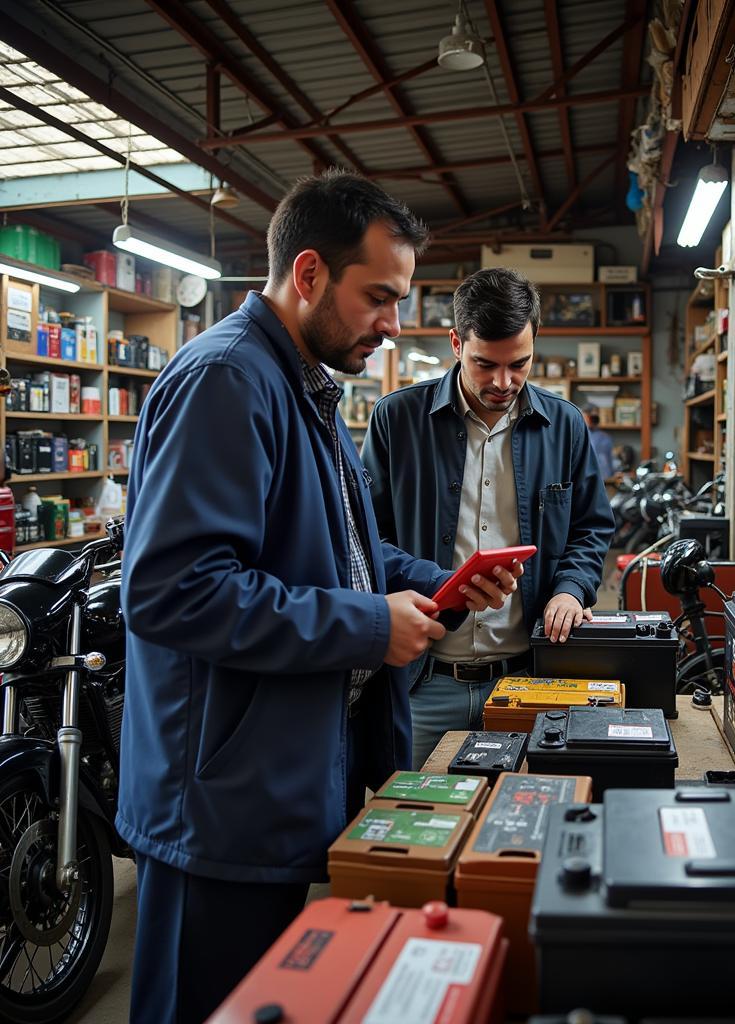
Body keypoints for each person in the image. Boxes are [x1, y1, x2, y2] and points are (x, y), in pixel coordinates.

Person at [118, 170, 521, 1024]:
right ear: (308, 275)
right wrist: (369, 626)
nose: (394, 324)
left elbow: (343, 550)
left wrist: (439, 585)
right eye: (378, 296)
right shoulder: (228, 380)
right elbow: (174, 592)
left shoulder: (305, 385)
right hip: (216, 806)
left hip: (275, 782)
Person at [362, 267, 615, 768]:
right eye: (485, 364)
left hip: (527, 679)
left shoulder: (563, 425)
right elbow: (365, 538)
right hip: (424, 682)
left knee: (523, 820)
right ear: (456, 343)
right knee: (417, 823)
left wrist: (571, 588)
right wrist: (440, 583)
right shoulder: (396, 420)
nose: (503, 382)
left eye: (519, 363)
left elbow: (591, 528)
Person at [584, 403, 616, 479]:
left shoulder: (605, 437)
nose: (592, 420)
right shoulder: (578, 436)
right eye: (589, 416)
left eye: (594, 417)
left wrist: (615, 472)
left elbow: (611, 459)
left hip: (605, 478)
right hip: (585, 480)